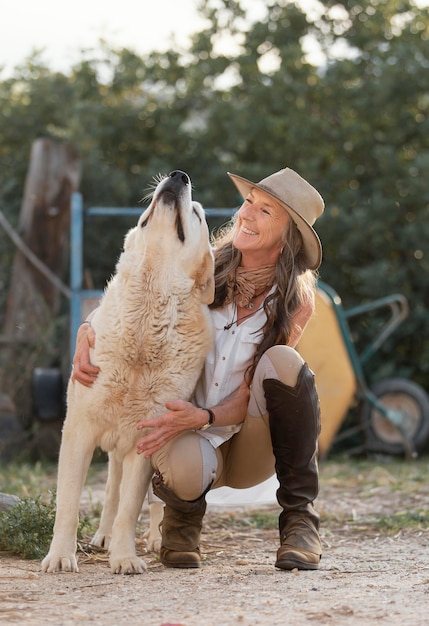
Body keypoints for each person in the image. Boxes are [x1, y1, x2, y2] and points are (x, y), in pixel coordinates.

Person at [72, 166, 325, 571]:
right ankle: (182, 522)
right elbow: (141, 294)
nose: (245, 215)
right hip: (184, 438)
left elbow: (247, 393)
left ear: (289, 236)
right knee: (181, 455)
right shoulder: (204, 266)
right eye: (248, 203)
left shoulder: (296, 299)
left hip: (246, 441)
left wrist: (205, 416)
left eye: (265, 212)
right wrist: (89, 328)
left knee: (284, 362)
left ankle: (300, 520)